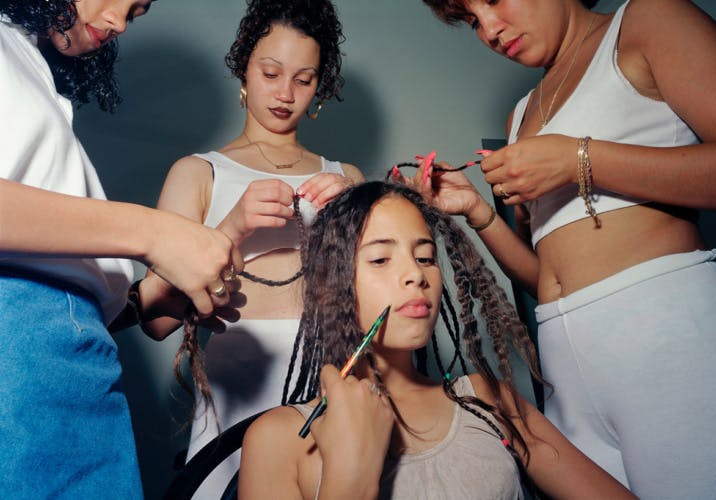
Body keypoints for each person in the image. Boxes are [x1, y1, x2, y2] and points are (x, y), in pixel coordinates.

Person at [416, 0, 716, 498]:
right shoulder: (521, 114)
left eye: (494, 0)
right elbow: (545, 276)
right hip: (563, 358)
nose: (491, 30)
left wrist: (579, 159)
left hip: (664, 332)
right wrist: (478, 212)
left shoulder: (648, 21)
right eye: (473, 20)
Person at [238, 181, 634, 499]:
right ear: (332, 283)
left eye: (425, 256)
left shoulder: (486, 398)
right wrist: (349, 474)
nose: (417, 275)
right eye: (380, 259)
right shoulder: (277, 439)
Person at [0, 0, 247, 498]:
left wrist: (138, 303)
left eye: (134, 13)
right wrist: (155, 234)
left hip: (67, 360)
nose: (117, 22)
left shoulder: (24, 59)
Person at [140, 0, 363, 496]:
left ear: (319, 87)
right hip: (236, 383)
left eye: (304, 80)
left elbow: (380, 303)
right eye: (270, 72)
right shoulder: (198, 172)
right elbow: (155, 321)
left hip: (329, 380)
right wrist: (232, 226)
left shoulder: (344, 176)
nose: (285, 93)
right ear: (244, 70)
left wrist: (357, 214)